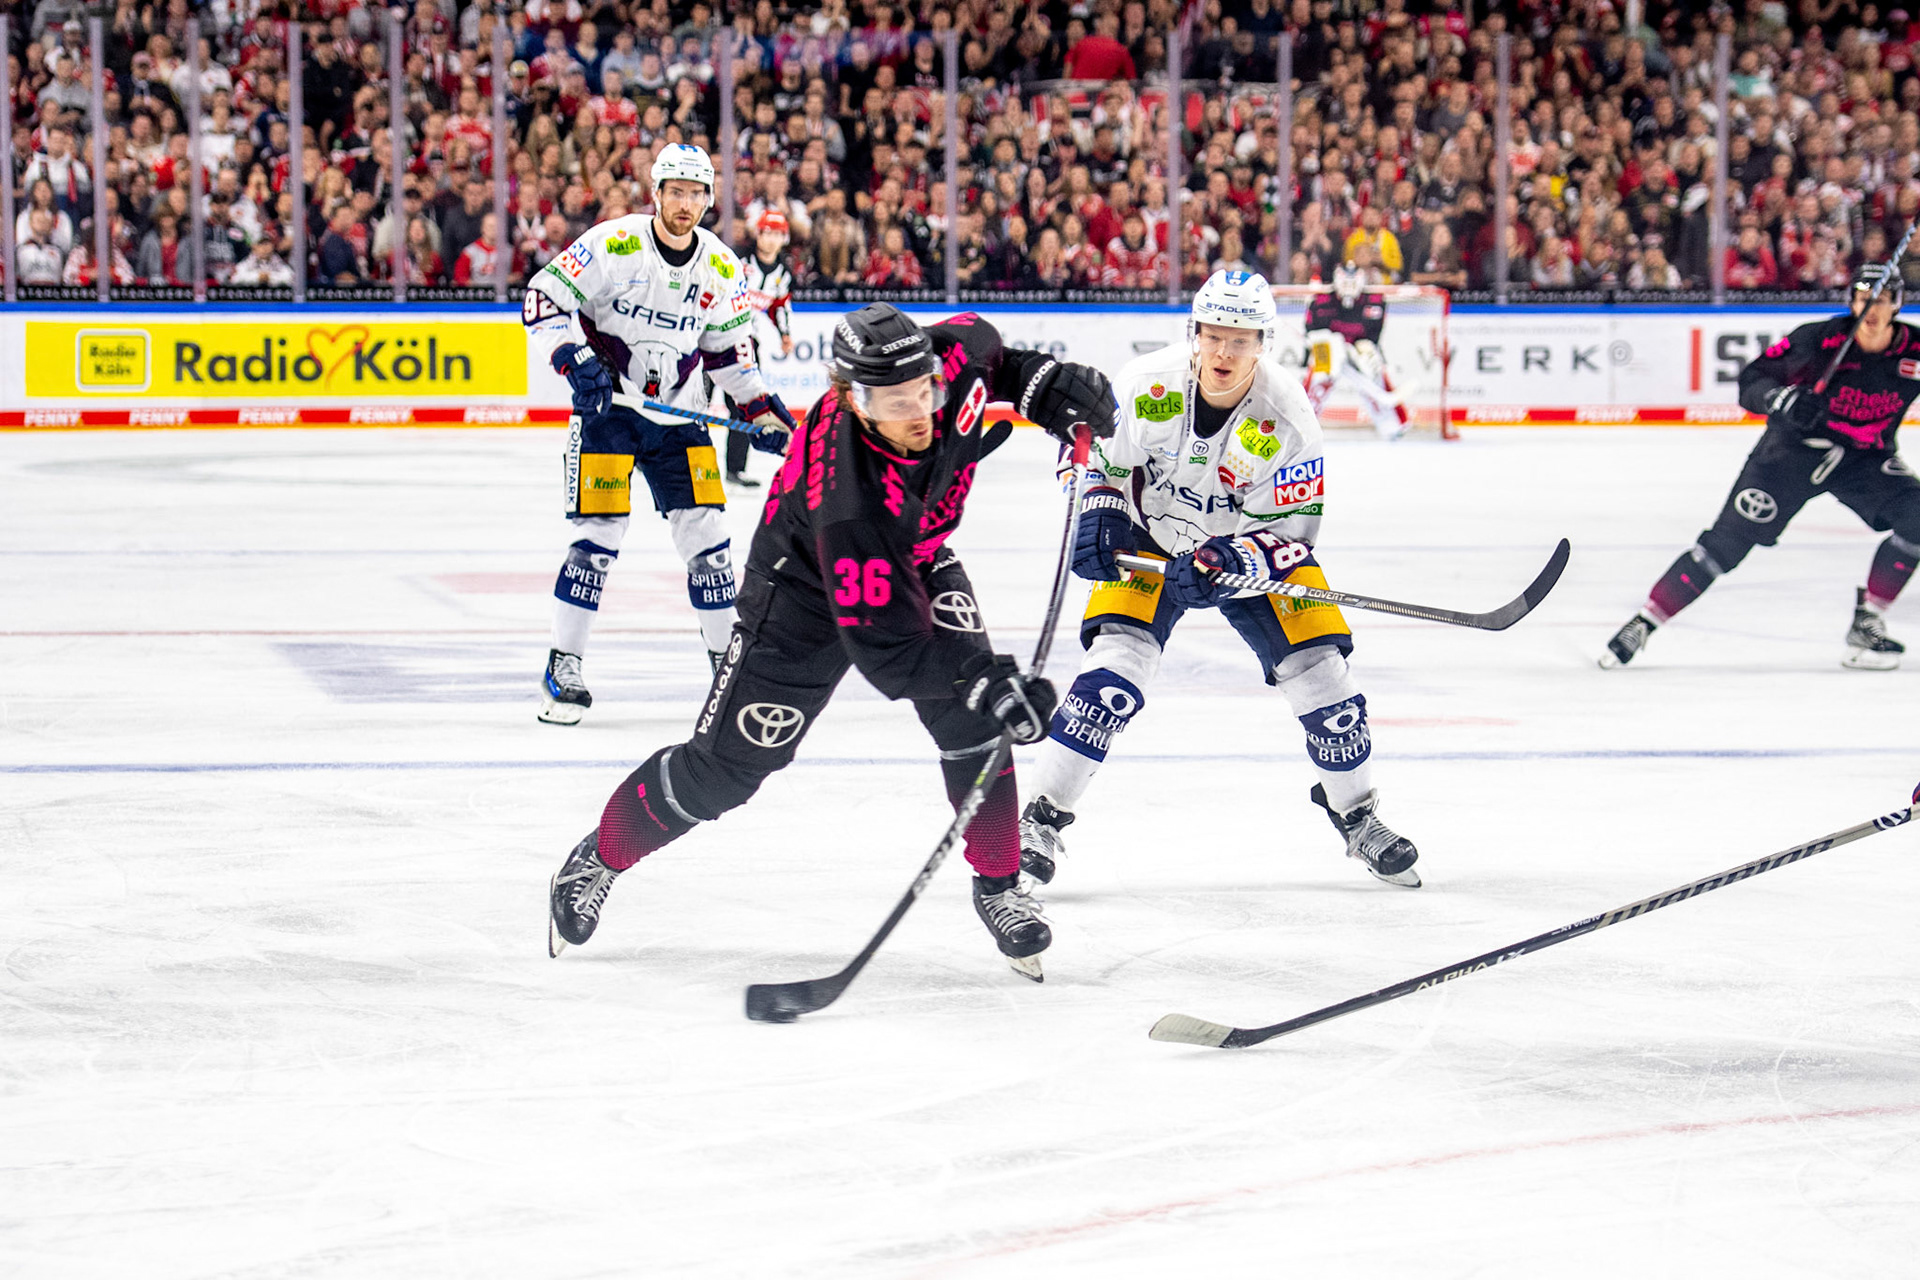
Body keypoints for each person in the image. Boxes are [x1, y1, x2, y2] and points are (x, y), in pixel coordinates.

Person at [545, 303, 1122, 979]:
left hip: (920, 554)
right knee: (723, 774)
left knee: (974, 729)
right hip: (800, 595)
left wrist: (1048, 387)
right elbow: (892, 650)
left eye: (922, 392)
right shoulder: (849, 492)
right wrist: (984, 679)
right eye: (890, 401)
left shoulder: (955, 359)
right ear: (851, 397)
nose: (915, 414)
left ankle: (998, 884)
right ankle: (600, 854)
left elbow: (1000, 359)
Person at [1018, 270, 1422, 891]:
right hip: (1151, 538)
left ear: (1263, 342)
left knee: (1325, 683)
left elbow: (1292, 538)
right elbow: (1089, 460)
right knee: (1111, 677)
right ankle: (1041, 819)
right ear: (1195, 334)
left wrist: (1236, 563)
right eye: (1213, 335)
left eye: (1241, 338)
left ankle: (1359, 817)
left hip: (1241, 550)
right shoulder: (1144, 383)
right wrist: (1099, 507)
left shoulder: (1288, 419)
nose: (1224, 352)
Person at [521, 144, 796, 724]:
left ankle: (729, 669)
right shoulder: (615, 243)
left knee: (711, 548)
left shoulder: (723, 268)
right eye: (675, 190)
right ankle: (562, 665)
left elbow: (730, 358)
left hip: (683, 418)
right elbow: (541, 297)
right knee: (597, 541)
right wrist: (575, 360)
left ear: (710, 199)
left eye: (697, 193)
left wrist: (764, 414)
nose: (685, 203)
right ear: (656, 192)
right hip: (609, 415)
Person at [1602, 263, 1920, 671]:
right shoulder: (1819, 340)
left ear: (1898, 304)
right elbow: (1752, 380)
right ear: (1851, 301)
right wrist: (1781, 399)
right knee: (1723, 548)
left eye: (1880, 299)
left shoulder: (1913, 349)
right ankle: (1644, 622)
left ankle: (1868, 621)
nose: (1870, 308)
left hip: (1864, 458)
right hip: (1789, 453)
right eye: (1863, 299)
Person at [719, 210, 797, 490]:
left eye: (778, 234)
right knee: (690, 398)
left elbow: (779, 306)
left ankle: (735, 469)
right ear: (759, 234)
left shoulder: (782, 272)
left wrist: (785, 334)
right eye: (768, 233)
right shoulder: (739, 259)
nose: (772, 240)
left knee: (748, 405)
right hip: (713, 334)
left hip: (747, 342)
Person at [1302, 261, 1411, 440]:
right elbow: (1311, 332)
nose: (1349, 288)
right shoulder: (1321, 301)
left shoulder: (1374, 302)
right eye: (1345, 282)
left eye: (1353, 283)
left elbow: (1373, 337)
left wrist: (1361, 349)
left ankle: (1391, 425)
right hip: (1328, 345)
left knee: (1372, 367)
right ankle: (1303, 423)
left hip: (1357, 346)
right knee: (1321, 375)